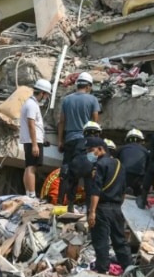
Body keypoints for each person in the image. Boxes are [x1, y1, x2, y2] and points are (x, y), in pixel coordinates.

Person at [85, 138, 133, 274]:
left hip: (101, 208)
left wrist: (92, 212)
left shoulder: (99, 165)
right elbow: (124, 191)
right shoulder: (120, 165)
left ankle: (102, 271)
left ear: (101, 149)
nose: (89, 154)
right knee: (120, 242)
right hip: (117, 209)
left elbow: (96, 190)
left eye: (91, 150)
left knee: (101, 242)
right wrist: (116, 206)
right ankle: (131, 272)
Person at [58, 72, 101, 201]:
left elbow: (62, 122)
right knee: (88, 172)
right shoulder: (92, 99)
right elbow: (95, 123)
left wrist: (60, 141)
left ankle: (62, 201)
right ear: (88, 86)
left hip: (69, 140)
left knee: (67, 171)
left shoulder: (67, 99)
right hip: (85, 141)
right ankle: (88, 205)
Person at [20, 79, 53, 199]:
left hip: (32, 140)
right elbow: (31, 125)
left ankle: (28, 194)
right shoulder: (32, 105)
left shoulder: (31, 104)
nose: (47, 97)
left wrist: (41, 141)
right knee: (32, 168)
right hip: (32, 141)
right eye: (47, 94)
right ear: (42, 93)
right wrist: (35, 144)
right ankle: (32, 195)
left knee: (29, 166)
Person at [61, 121, 103, 213]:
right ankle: (88, 209)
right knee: (90, 187)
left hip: (76, 163)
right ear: (97, 133)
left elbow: (68, 157)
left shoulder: (78, 141)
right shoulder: (100, 143)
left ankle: (70, 206)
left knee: (72, 183)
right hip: (90, 164)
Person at [119, 129, 150, 196]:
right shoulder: (145, 151)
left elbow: (116, 164)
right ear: (141, 141)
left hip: (123, 175)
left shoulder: (122, 149)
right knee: (138, 193)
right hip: (139, 177)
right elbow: (148, 168)